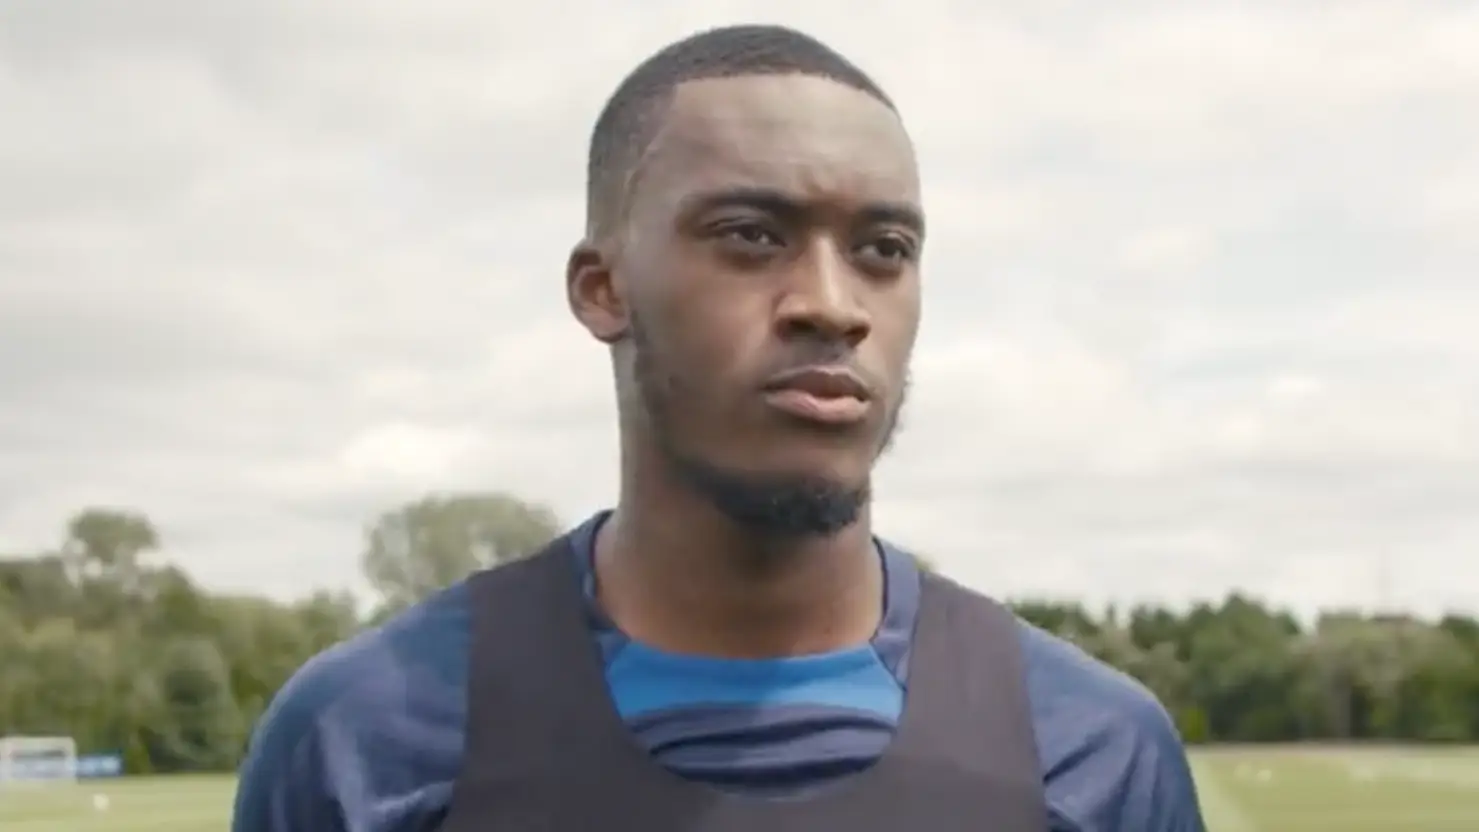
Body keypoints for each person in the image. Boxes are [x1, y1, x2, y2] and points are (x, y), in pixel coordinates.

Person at [232, 24, 1206, 831]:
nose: (832, 303)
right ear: (602, 287)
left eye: (883, 249)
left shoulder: (1088, 752)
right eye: (751, 235)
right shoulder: (366, 741)